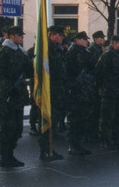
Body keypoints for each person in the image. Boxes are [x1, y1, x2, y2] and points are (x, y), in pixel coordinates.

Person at [0, 26, 32, 168]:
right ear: (12, 36)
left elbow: (28, 70)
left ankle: (11, 154)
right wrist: (9, 87)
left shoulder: (20, 52)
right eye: (19, 35)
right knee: (6, 127)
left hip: (18, 95)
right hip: (7, 96)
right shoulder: (4, 51)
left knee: (16, 127)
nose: (22, 37)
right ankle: (5, 156)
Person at [64, 31, 95, 156]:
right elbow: (69, 72)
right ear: (77, 40)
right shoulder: (72, 52)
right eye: (84, 39)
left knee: (82, 118)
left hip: (84, 90)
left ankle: (78, 144)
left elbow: (91, 67)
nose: (86, 41)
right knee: (74, 119)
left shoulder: (84, 52)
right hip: (75, 91)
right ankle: (73, 145)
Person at [94, 34, 119, 150]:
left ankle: (116, 138)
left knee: (118, 116)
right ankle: (105, 140)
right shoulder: (107, 55)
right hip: (109, 91)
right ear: (114, 43)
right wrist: (106, 85)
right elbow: (98, 72)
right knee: (107, 117)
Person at [39, 25, 66, 162]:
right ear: (51, 35)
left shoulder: (58, 50)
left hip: (57, 90)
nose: (61, 38)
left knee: (53, 121)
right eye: (59, 35)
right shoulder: (46, 49)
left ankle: (49, 149)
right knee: (47, 121)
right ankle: (45, 150)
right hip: (49, 90)